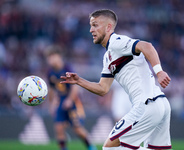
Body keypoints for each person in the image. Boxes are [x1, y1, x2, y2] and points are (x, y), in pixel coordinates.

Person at [60, 9, 172, 150]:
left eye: (95, 25)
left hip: (146, 105)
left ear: (108, 27)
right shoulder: (108, 56)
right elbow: (103, 89)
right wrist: (79, 81)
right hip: (160, 103)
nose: (90, 30)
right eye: (90, 25)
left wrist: (159, 71)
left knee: (109, 147)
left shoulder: (116, 42)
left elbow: (146, 46)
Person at [45, 45, 96, 150]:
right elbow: (51, 89)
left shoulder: (67, 68)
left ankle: (91, 147)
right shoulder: (50, 72)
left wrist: (69, 100)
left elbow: (75, 87)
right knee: (58, 127)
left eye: (52, 56)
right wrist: (51, 105)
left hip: (73, 101)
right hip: (61, 101)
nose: (50, 60)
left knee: (77, 129)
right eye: (49, 57)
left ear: (59, 56)